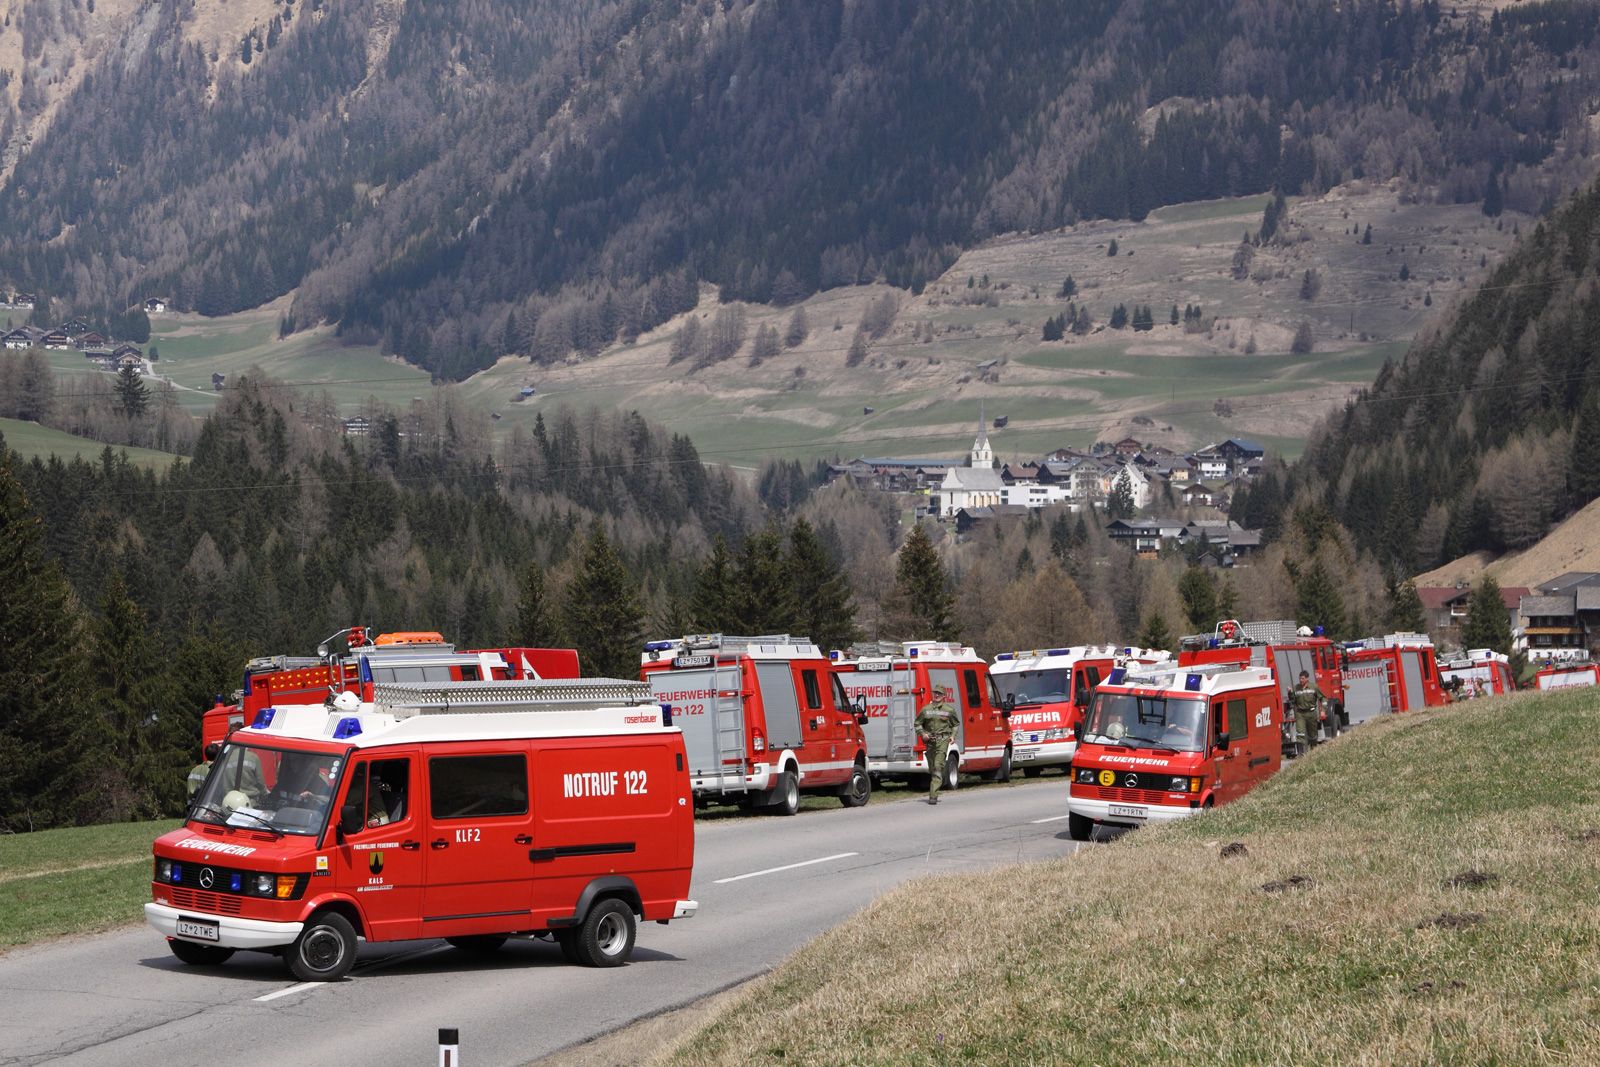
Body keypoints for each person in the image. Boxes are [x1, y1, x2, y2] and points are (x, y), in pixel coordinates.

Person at [917, 683, 960, 805]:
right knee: (932, 768)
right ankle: (935, 784)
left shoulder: (949, 710)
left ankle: (933, 795)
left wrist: (952, 736)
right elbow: (917, 723)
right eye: (935, 693)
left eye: (939, 693)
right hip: (930, 741)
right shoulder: (926, 709)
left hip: (943, 741)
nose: (937, 695)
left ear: (944, 696)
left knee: (937, 766)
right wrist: (922, 734)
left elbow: (956, 724)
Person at [1287, 671, 1326, 753]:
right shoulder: (1296, 688)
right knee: (1300, 734)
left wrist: (1323, 710)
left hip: (1311, 713)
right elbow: (1292, 701)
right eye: (1300, 678)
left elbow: (1323, 698)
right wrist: (1290, 693)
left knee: (1313, 735)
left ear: (1307, 679)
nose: (1301, 680)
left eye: (1303, 678)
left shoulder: (1314, 687)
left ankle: (1313, 751)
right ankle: (1301, 754)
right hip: (1300, 714)